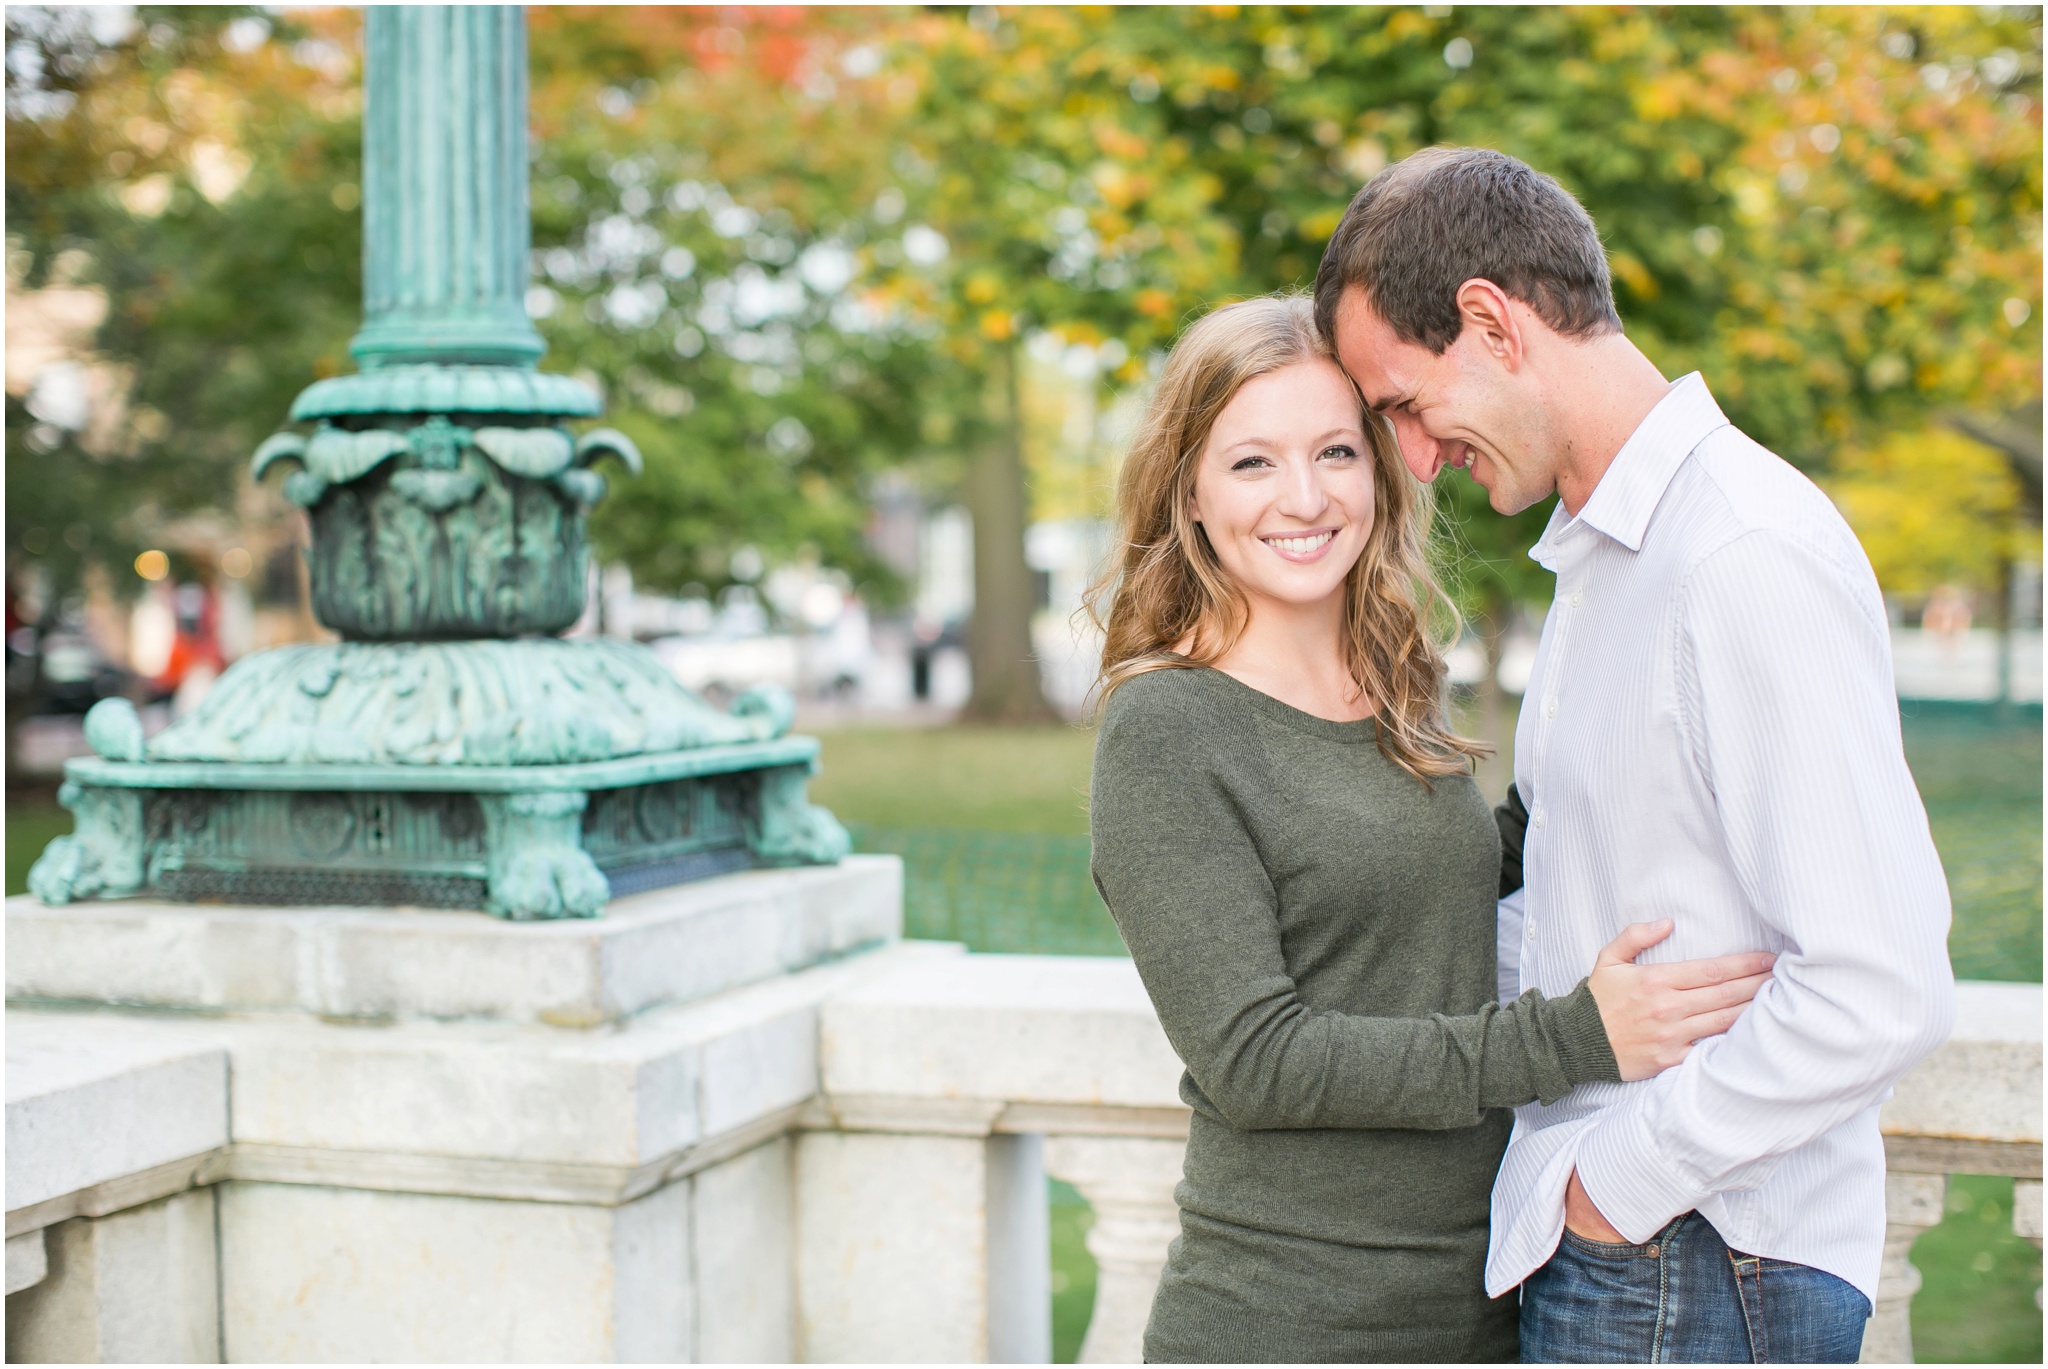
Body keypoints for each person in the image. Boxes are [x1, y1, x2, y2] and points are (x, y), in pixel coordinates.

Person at [1315, 146, 1956, 1363]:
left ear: (1490, 322)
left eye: (1401, 401)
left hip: (1696, 1255)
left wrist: (1614, 1184)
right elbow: (1571, 906)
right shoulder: (1611, 560)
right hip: (1644, 1258)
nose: (1408, 455)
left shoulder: (1735, 554)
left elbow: (1879, 986)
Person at [1086, 293, 1777, 1363]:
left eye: (1333, 451)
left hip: (1474, 1304)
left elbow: (1453, 879)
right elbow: (1255, 1059)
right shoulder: (1168, 727)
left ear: (1378, 465)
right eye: (1251, 463)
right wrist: (1572, 1036)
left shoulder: (1390, 683)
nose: (1303, 497)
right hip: (1285, 1320)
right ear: (1187, 490)